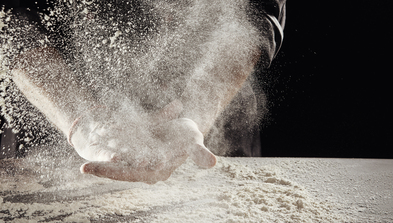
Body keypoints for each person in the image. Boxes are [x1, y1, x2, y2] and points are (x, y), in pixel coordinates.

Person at [0, 0, 285, 183]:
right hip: (58, 113)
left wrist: (195, 113)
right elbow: (11, 14)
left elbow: (253, 16)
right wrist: (82, 120)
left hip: (201, 128)